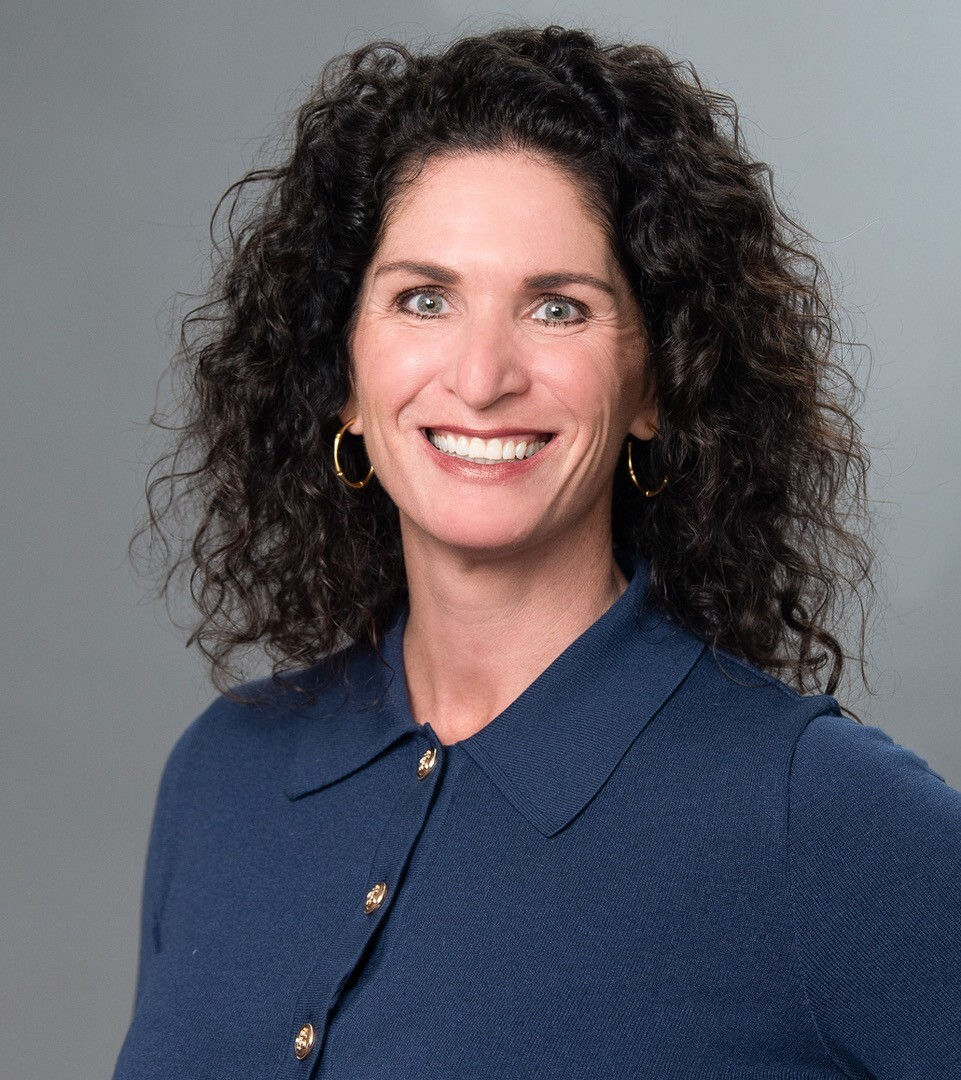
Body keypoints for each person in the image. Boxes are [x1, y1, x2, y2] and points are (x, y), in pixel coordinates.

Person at [115, 24, 961, 1080]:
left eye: (557, 308)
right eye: (424, 298)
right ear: (343, 370)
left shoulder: (809, 814)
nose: (481, 374)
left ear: (659, 381)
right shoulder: (223, 775)